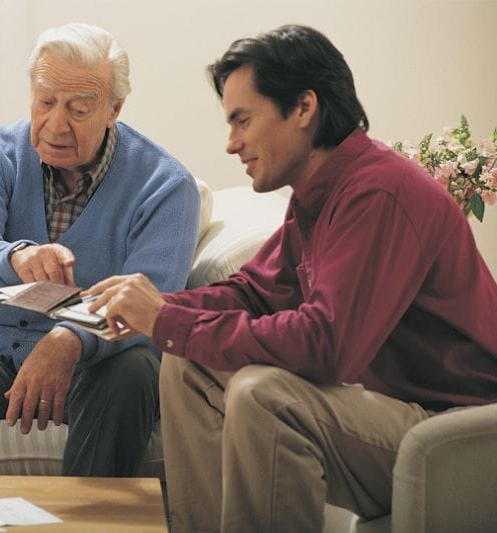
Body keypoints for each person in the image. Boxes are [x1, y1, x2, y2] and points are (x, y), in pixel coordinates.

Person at [84, 24, 497, 532]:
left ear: (304, 108)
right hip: (404, 414)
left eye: (243, 120)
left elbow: (327, 345)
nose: (232, 144)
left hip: (463, 434)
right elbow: (255, 291)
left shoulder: (378, 193)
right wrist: (157, 308)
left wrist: (168, 318)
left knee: (264, 395)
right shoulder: (320, 194)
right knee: (186, 362)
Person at [0, 22, 201, 476]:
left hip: (97, 371)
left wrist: (70, 340)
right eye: (45, 102)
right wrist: (16, 257)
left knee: (135, 371)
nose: (55, 125)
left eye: (79, 109)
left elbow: (150, 308)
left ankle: (88, 519)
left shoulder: (166, 186)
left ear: (115, 109)